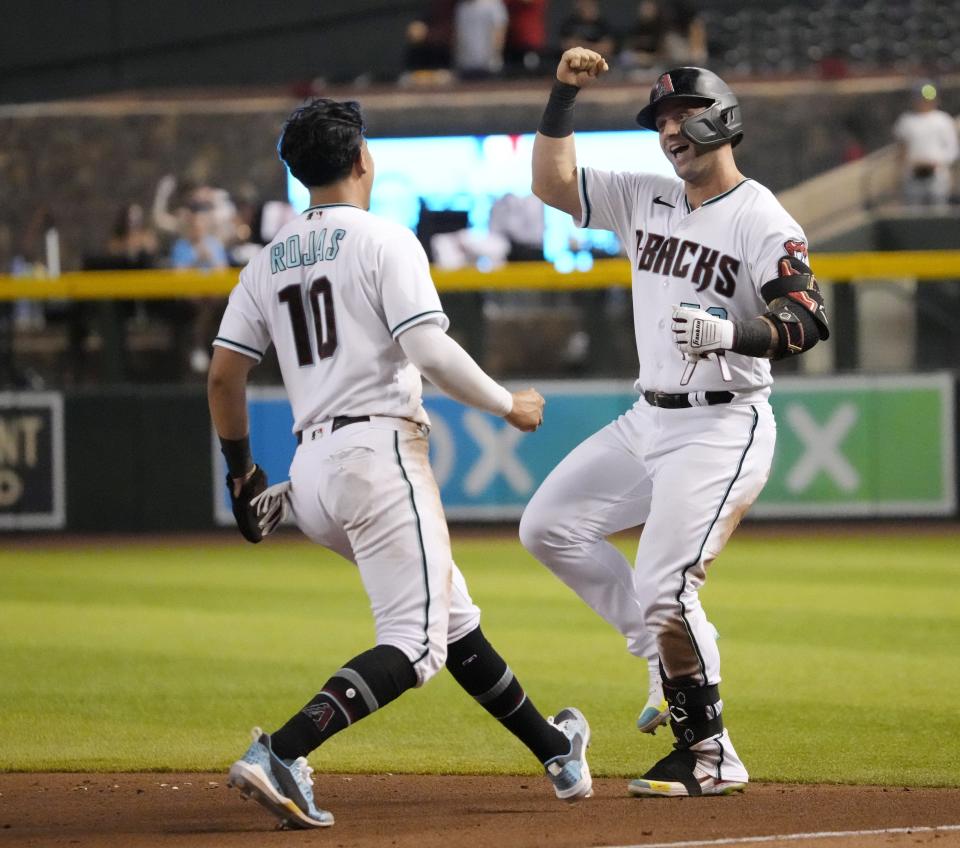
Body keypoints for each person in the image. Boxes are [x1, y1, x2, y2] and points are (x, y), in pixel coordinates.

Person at [207, 97, 592, 830]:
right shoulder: (384, 240)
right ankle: (281, 753)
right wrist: (506, 403)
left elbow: (224, 377)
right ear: (362, 162)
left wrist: (241, 476)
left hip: (312, 472)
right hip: (377, 455)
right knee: (415, 648)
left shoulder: (266, 261)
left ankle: (556, 751)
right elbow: (430, 352)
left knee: (449, 618)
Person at [521, 49, 829, 798]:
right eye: (659, 121)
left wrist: (736, 334)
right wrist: (562, 94)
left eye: (681, 115)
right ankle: (662, 661)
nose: (669, 131)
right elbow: (552, 183)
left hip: (723, 425)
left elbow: (806, 317)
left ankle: (711, 753)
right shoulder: (644, 197)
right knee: (549, 527)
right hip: (648, 416)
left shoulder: (762, 216)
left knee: (666, 587)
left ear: (722, 118)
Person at [892, 81, 959, 210]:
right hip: (913, 175)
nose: (924, 102)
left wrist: (934, 162)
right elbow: (901, 150)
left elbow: (953, 150)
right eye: (921, 98)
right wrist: (898, 176)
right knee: (913, 211)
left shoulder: (943, 120)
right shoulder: (906, 121)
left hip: (937, 174)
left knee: (938, 210)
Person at [453, 0, 509, 80]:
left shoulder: (493, 4)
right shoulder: (461, 7)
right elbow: (458, 35)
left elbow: (499, 32)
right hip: (466, 65)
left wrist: (493, 57)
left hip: (488, 66)